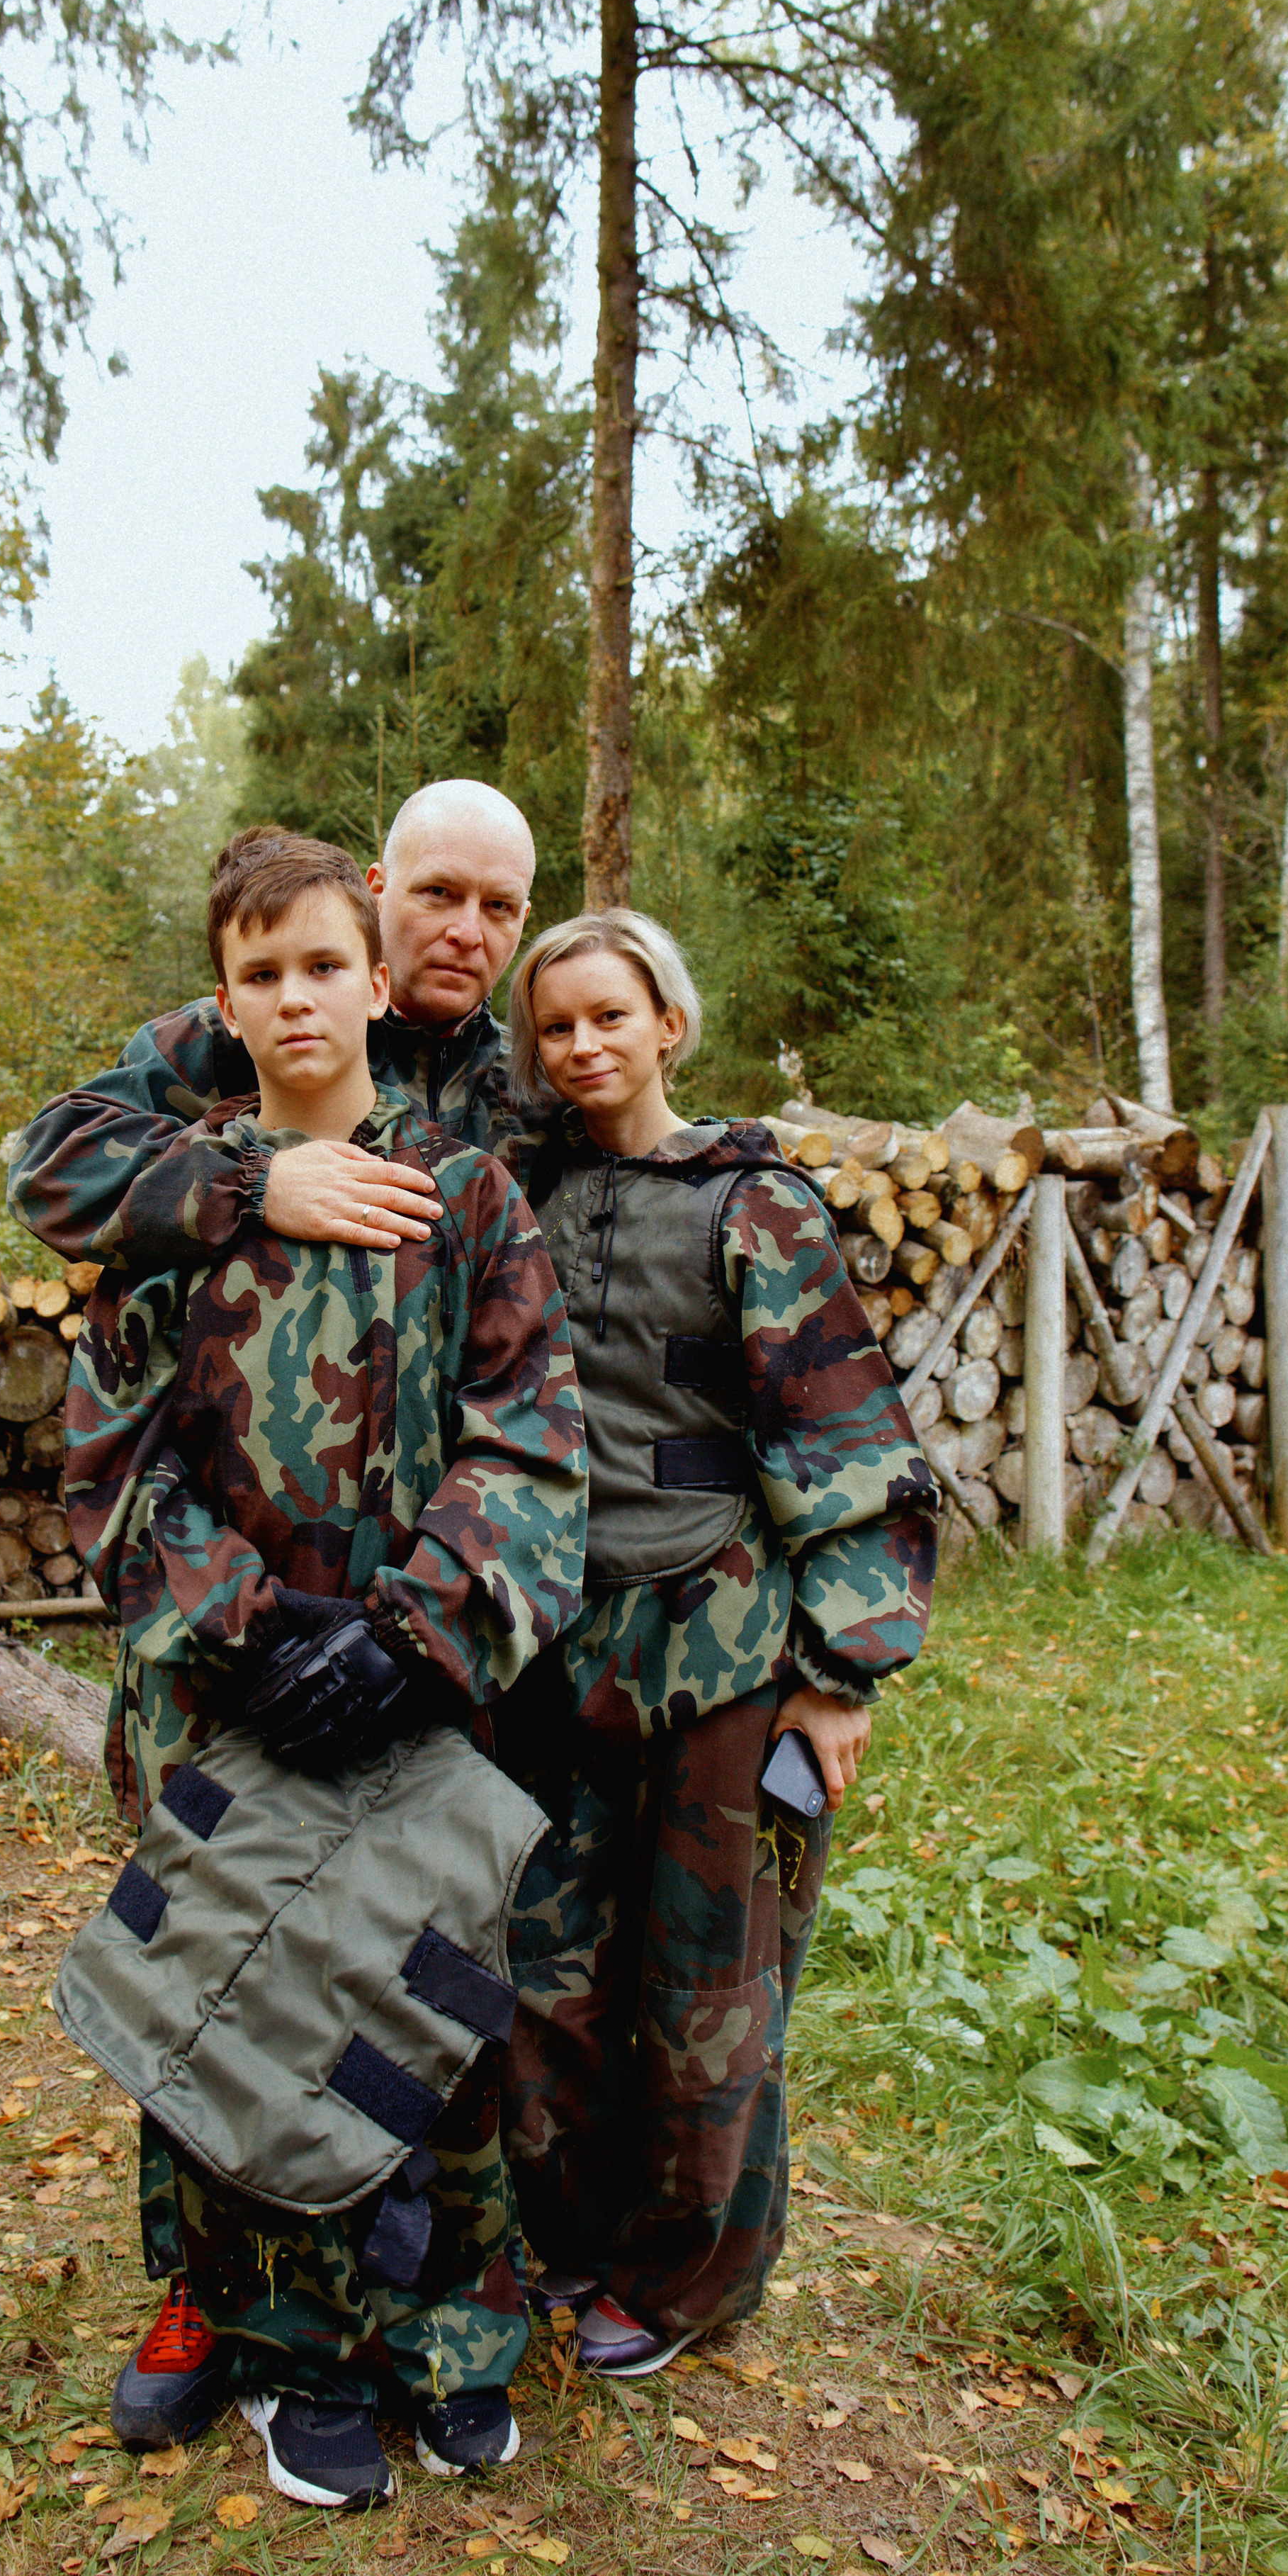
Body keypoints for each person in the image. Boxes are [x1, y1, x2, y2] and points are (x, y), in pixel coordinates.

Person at [45, 827, 586, 2509]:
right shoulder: (177, 1200)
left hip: (424, 1695)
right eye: (260, 974)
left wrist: (421, 1630)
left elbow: (531, 1441)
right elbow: (107, 1464)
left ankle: (447, 2332)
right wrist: (251, 1629)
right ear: (222, 999)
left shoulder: (467, 1194)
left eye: (321, 967)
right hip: (230, 1697)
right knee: (242, 2000)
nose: (296, 997)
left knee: (415, 2002)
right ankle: (278, 2346)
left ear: (371, 980)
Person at [492, 909, 938, 2379]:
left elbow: (843, 1435)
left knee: (707, 1994)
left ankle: (684, 2284)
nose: (582, 1047)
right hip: (556, 1648)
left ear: (666, 1024)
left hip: (723, 1654)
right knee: (549, 1970)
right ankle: (562, 2239)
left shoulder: (756, 1206)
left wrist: (837, 1675)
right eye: (554, 1026)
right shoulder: (518, 1196)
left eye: (608, 1017)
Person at [7, 777, 535, 1271]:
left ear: (523, 919)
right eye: (439, 893)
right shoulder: (238, 1037)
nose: (467, 932)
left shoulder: (540, 1081)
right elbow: (49, 1169)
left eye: (498, 907)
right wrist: (254, 1183)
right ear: (379, 889)